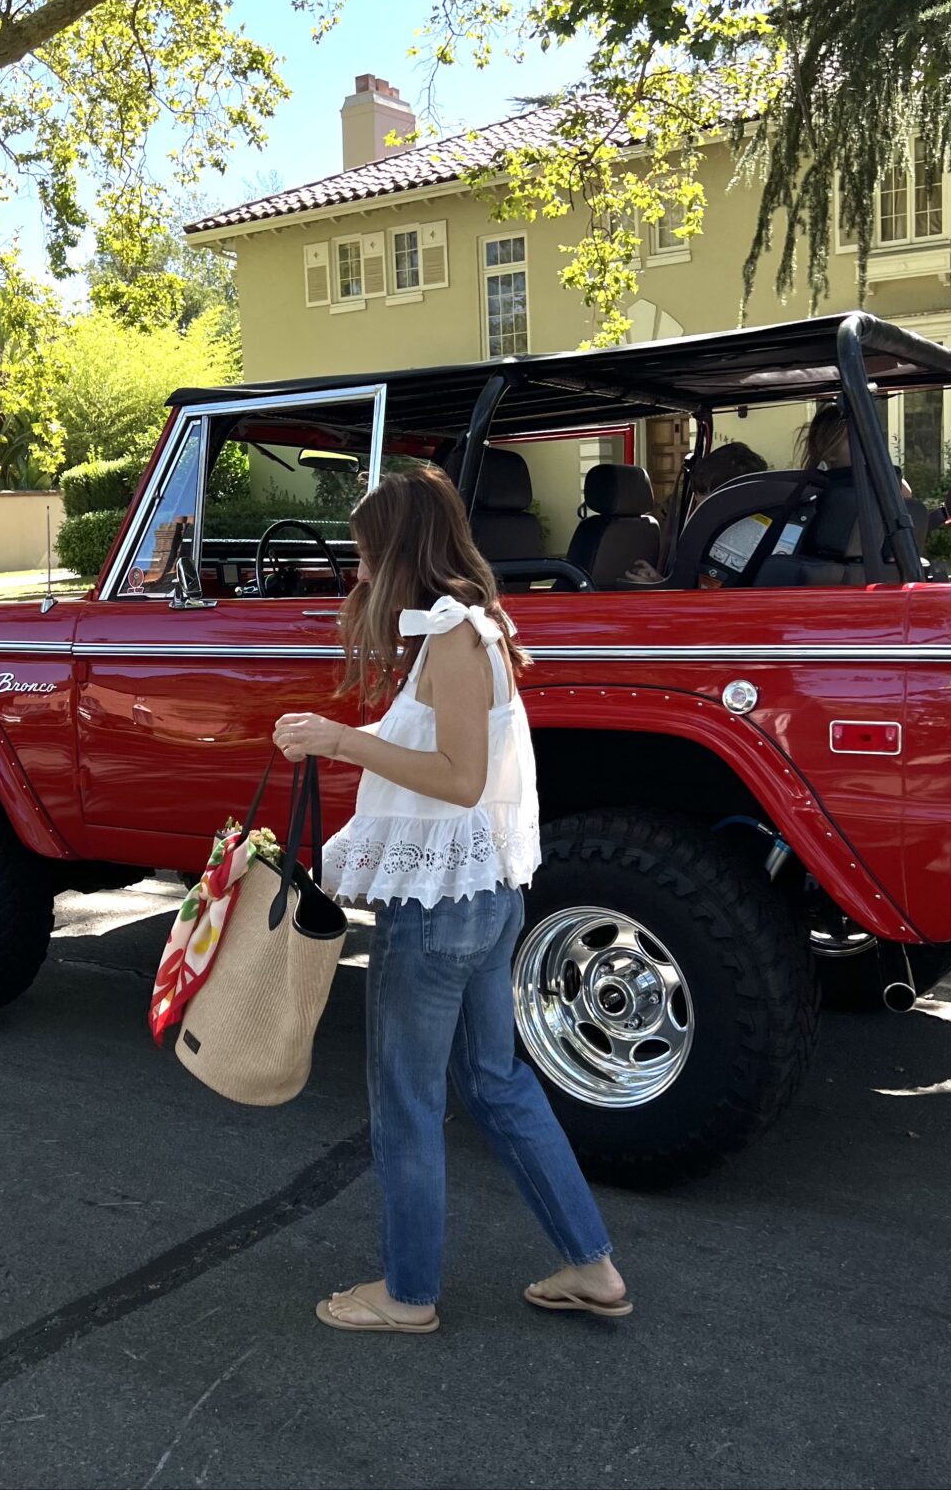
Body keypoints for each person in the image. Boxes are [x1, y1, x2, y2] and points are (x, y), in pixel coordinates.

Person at [273, 468, 628, 1335]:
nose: (357, 576)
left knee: (407, 1099)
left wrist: (337, 739)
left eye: (363, 558)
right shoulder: (466, 630)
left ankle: (408, 1294)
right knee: (495, 1082)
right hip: (482, 895)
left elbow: (461, 781)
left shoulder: (457, 638)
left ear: (398, 552)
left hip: (441, 912)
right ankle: (591, 1268)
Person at [624, 440, 769, 584]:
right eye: (697, 495)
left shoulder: (753, 541)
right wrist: (659, 583)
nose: (698, 505)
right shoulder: (710, 534)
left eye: (706, 497)